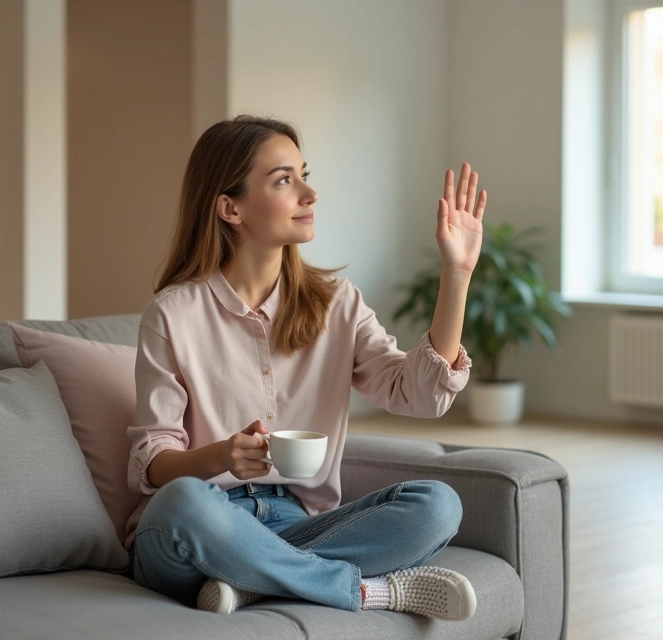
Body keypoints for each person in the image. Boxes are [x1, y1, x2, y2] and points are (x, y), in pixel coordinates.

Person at [124, 115, 489, 620]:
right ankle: (361, 591)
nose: (309, 193)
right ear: (230, 207)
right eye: (284, 180)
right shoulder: (172, 314)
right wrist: (221, 457)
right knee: (181, 502)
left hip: (294, 522)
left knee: (438, 505)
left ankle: (252, 580)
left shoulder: (338, 304)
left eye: (303, 173)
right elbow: (154, 460)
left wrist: (458, 273)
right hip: (200, 524)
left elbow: (420, 395)